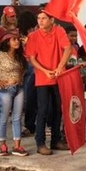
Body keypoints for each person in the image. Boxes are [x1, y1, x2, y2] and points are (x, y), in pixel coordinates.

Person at [25, 10, 73, 155]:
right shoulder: (33, 36)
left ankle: (55, 140)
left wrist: (60, 67)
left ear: (51, 20)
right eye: (39, 18)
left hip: (59, 76)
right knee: (43, 109)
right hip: (42, 77)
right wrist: (45, 71)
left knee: (58, 108)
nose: (40, 21)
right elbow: (32, 58)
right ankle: (40, 142)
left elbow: (68, 48)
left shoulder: (59, 31)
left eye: (44, 18)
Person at [0, 33, 29, 157]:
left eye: (18, 39)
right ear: (7, 41)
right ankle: (3, 144)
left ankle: (17, 146)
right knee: (3, 118)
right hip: (5, 89)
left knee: (17, 117)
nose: (17, 42)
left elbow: (25, 68)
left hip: (19, 88)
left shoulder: (19, 56)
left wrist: (19, 79)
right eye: (14, 39)